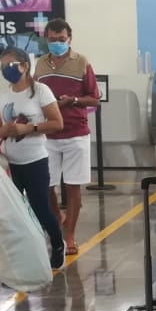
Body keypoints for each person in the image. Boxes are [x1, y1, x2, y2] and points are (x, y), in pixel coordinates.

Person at [0, 47, 66, 270]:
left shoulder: (41, 91)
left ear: (25, 66)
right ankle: (23, 253)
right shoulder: (4, 95)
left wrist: (28, 128)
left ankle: (57, 243)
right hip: (10, 163)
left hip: (35, 161)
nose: (6, 70)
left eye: (11, 65)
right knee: (13, 212)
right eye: (3, 66)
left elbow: (57, 123)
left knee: (40, 207)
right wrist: (0, 131)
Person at [34, 18, 101, 256]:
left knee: (73, 186)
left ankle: (69, 235)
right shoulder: (40, 64)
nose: (57, 44)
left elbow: (94, 98)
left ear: (69, 39)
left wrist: (72, 101)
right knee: (47, 185)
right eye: (52, 40)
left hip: (76, 133)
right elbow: (34, 96)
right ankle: (59, 218)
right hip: (48, 135)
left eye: (61, 40)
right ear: (46, 40)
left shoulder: (81, 62)